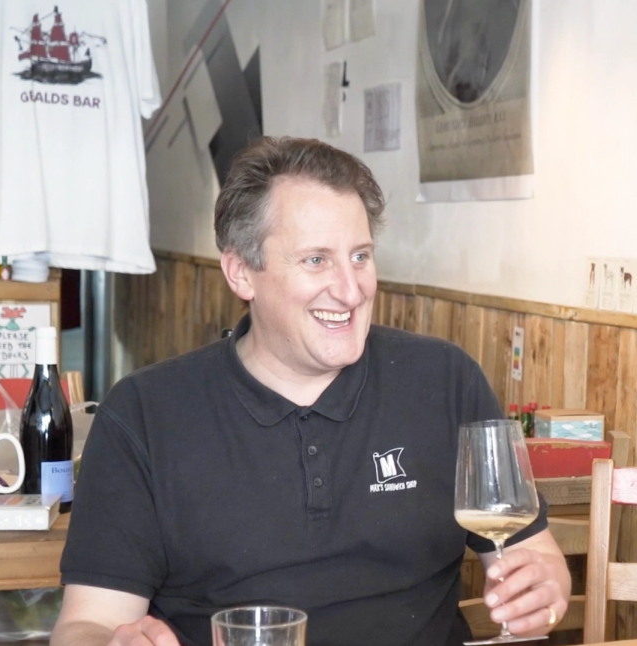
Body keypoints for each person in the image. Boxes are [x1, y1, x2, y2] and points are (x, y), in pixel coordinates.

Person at [52, 136, 571, 646]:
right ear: (241, 272)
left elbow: (535, 557)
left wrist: (547, 585)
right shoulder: (145, 413)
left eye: (361, 256)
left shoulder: (445, 380)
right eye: (316, 260)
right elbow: (87, 625)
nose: (351, 289)